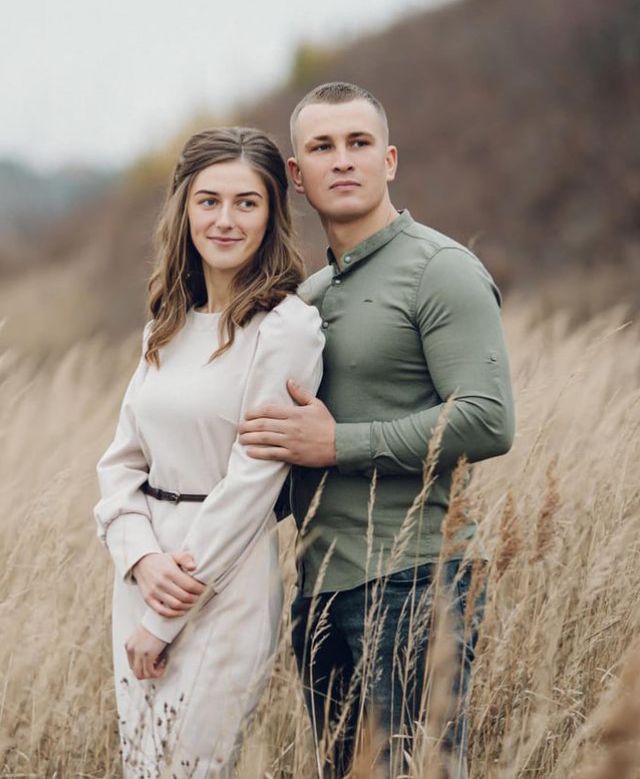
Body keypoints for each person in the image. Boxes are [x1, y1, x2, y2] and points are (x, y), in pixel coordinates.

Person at [238, 82, 515, 778]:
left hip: (417, 578)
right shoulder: (308, 298)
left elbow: (487, 417)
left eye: (359, 143)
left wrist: (338, 445)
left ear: (388, 159)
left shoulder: (439, 269)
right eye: (322, 147)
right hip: (321, 589)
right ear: (296, 177)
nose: (344, 160)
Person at [93, 127, 324, 779]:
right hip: (141, 578)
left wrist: (165, 618)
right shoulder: (163, 324)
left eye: (247, 203)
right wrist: (139, 558)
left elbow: (253, 487)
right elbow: (120, 465)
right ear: (184, 208)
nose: (225, 219)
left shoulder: (285, 328)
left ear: (271, 214)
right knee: (145, 767)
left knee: (191, 768)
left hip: (221, 580)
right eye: (210, 200)